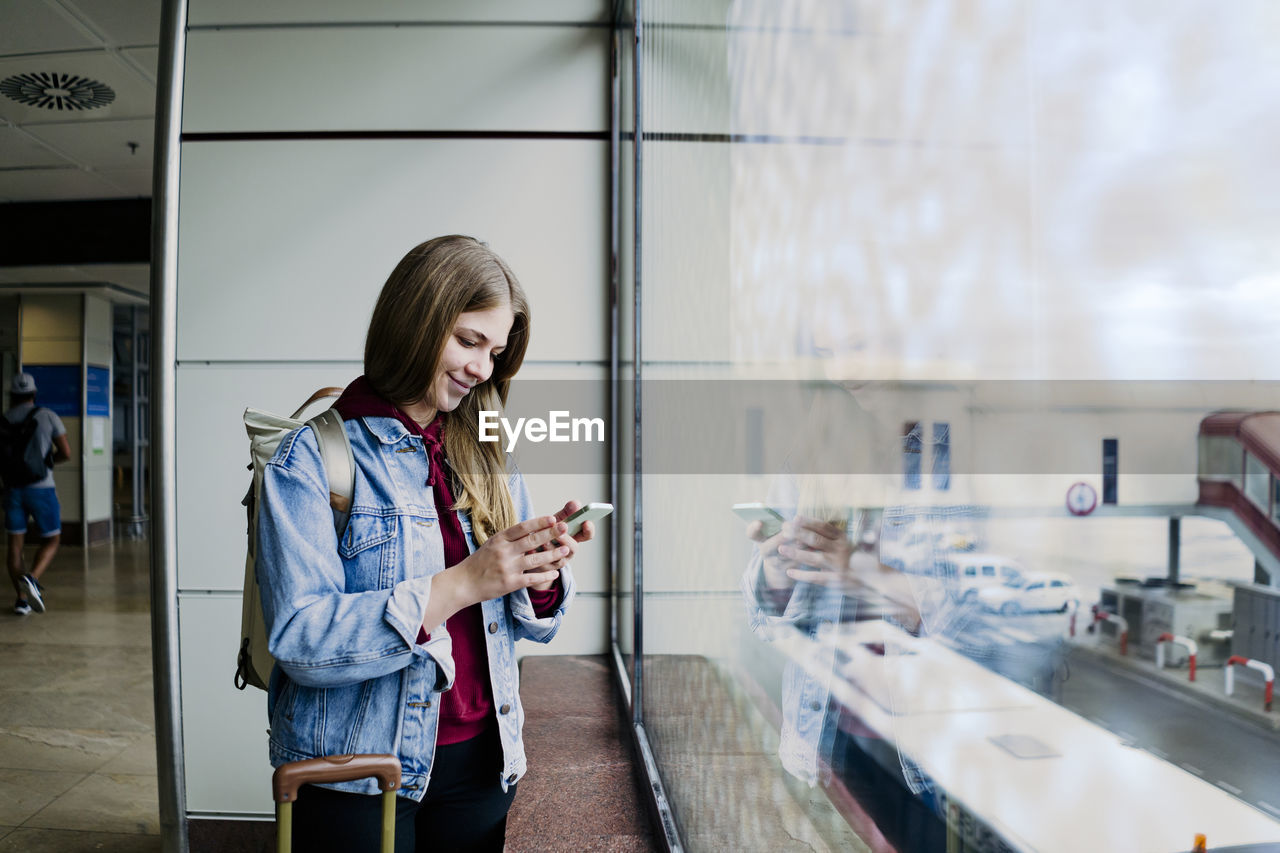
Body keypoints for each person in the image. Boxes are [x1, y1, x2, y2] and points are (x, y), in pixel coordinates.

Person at [256, 235, 593, 852]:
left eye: (495, 351)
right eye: (468, 341)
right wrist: (465, 581)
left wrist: (538, 574)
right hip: (356, 774)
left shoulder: (488, 449)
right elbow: (300, 640)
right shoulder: (312, 456)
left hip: (483, 762)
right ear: (415, 322)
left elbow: (527, 623)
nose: (482, 369)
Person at [4, 372, 70, 616]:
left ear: (12, 395)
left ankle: (21, 600)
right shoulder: (48, 416)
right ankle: (32, 579)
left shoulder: (4, 419)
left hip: (13, 489)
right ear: (34, 394)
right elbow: (66, 452)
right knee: (51, 539)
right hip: (42, 488)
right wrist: (47, 463)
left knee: (14, 546)